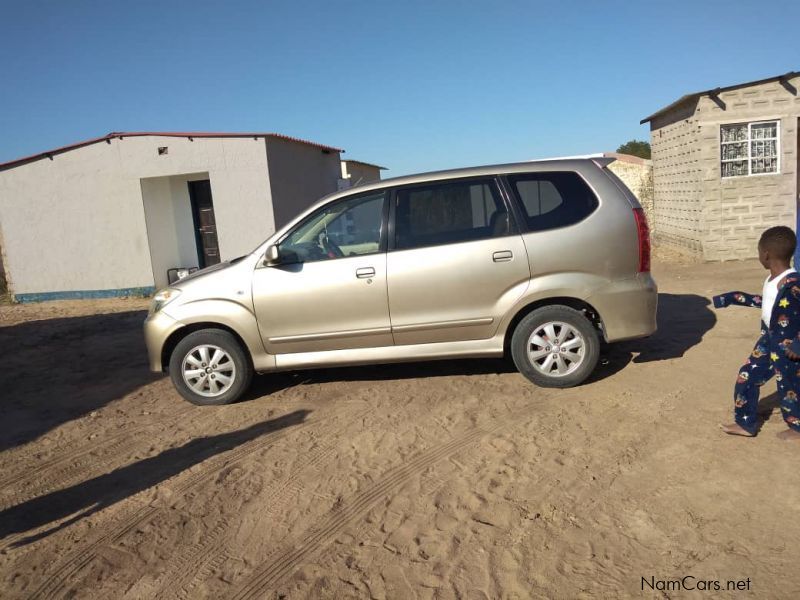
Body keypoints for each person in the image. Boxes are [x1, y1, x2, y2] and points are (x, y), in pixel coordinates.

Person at [713, 225, 800, 440]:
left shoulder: (794, 285)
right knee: (747, 377)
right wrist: (733, 297)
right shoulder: (771, 280)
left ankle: (797, 428)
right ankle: (746, 423)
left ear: (766, 254)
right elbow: (766, 304)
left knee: (789, 386)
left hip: (789, 348)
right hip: (768, 341)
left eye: (758, 252)